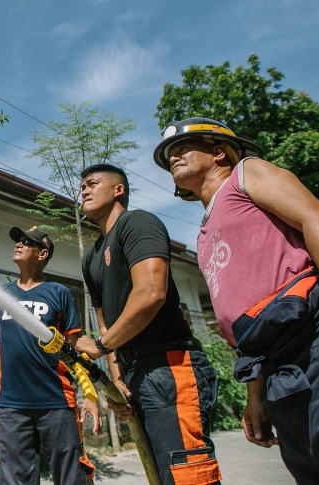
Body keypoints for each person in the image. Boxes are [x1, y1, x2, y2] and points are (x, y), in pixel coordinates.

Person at [155, 116, 319, 485]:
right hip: (276, 370)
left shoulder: (247, 174)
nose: (173, 157)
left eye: (182, 148)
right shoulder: (204, 234)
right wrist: (256, 394)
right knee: (314, 475)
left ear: (220, 151)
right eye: (169, 154)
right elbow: (242, 315)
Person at [72, 164, 221, 485]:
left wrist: (101, 346)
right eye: (82, 186)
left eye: (92, 184)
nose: (84, 190)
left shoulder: (137, 223)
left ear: (118, 190)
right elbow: (104, 319)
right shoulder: (92, 257)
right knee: (163, 476)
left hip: (170, 366)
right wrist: (117, 381)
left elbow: (151, 292)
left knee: (187, 476)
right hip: (136, 373)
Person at [0, 226, 100, 485]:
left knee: (71, 474)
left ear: (42, 253)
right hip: (11, 402)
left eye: (27, 242)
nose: (19, 244)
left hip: (56, 399)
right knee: (13, 477)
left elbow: (74, 350)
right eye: (18, 240)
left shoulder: (58, 293)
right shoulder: (2, 295)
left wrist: (91, 395)